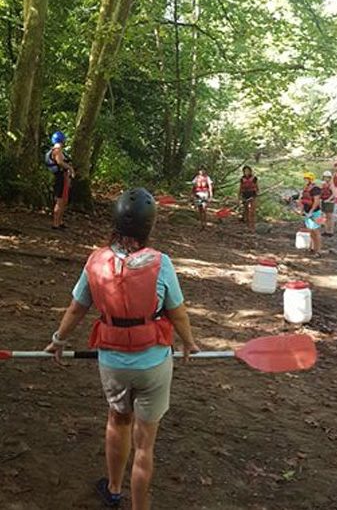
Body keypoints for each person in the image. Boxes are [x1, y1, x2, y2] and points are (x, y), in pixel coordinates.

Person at [43, 188, 200, 509]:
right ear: (149, 227)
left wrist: (58, 341)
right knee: (146, 444)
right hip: (154, 364)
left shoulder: (96, 261)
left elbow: (76, 309)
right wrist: (189, 343)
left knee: (119, 420)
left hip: (113, 362)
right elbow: (178, 313)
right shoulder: (162, 263)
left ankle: (114, 489)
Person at [46, 131, 74, 230]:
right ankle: (55, 224)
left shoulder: (59, 149)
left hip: (64, 177)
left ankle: (60, 221)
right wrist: (70, 168)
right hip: (61, 177)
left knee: (64, 200)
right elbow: (59, 162)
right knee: (60, 200)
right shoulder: (57, 150)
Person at [300, 172, 323, 254]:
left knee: (316, 231)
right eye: (305, 179)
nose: (305, 180)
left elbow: (316, 201)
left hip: (316, 212)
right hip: (307, 212)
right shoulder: (306, 188)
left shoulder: (316, 189)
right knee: (310, 231)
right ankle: (312, 247)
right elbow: (303, 201)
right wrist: (302, 211)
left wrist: (311, 211)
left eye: (307, 179)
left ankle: (319, 250)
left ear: (310, 180)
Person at [239, 165, 259, 231]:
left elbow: (257, 187)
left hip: (252, 195)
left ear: (250, 171)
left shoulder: (254, 178)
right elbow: (241, 187)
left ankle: (252, 226)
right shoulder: (242, 179)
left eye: (248, 171)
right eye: (245, 171)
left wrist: (257, 193)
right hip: (245, 195)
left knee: (252, 211)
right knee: (246, 211)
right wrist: (239, 196)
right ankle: (247, 226)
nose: (246, 172)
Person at [320, 171, 336, 236]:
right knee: (325, 216)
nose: (326, 179)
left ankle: (331, 231)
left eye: (327, 177)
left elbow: (334, 194)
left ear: (330, 178)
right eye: (325, 177)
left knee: (330, 216)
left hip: (330, 202)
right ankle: (326, 230)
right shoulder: (323, 184)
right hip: (323, 201)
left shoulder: (331, 184)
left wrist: (328, 199)